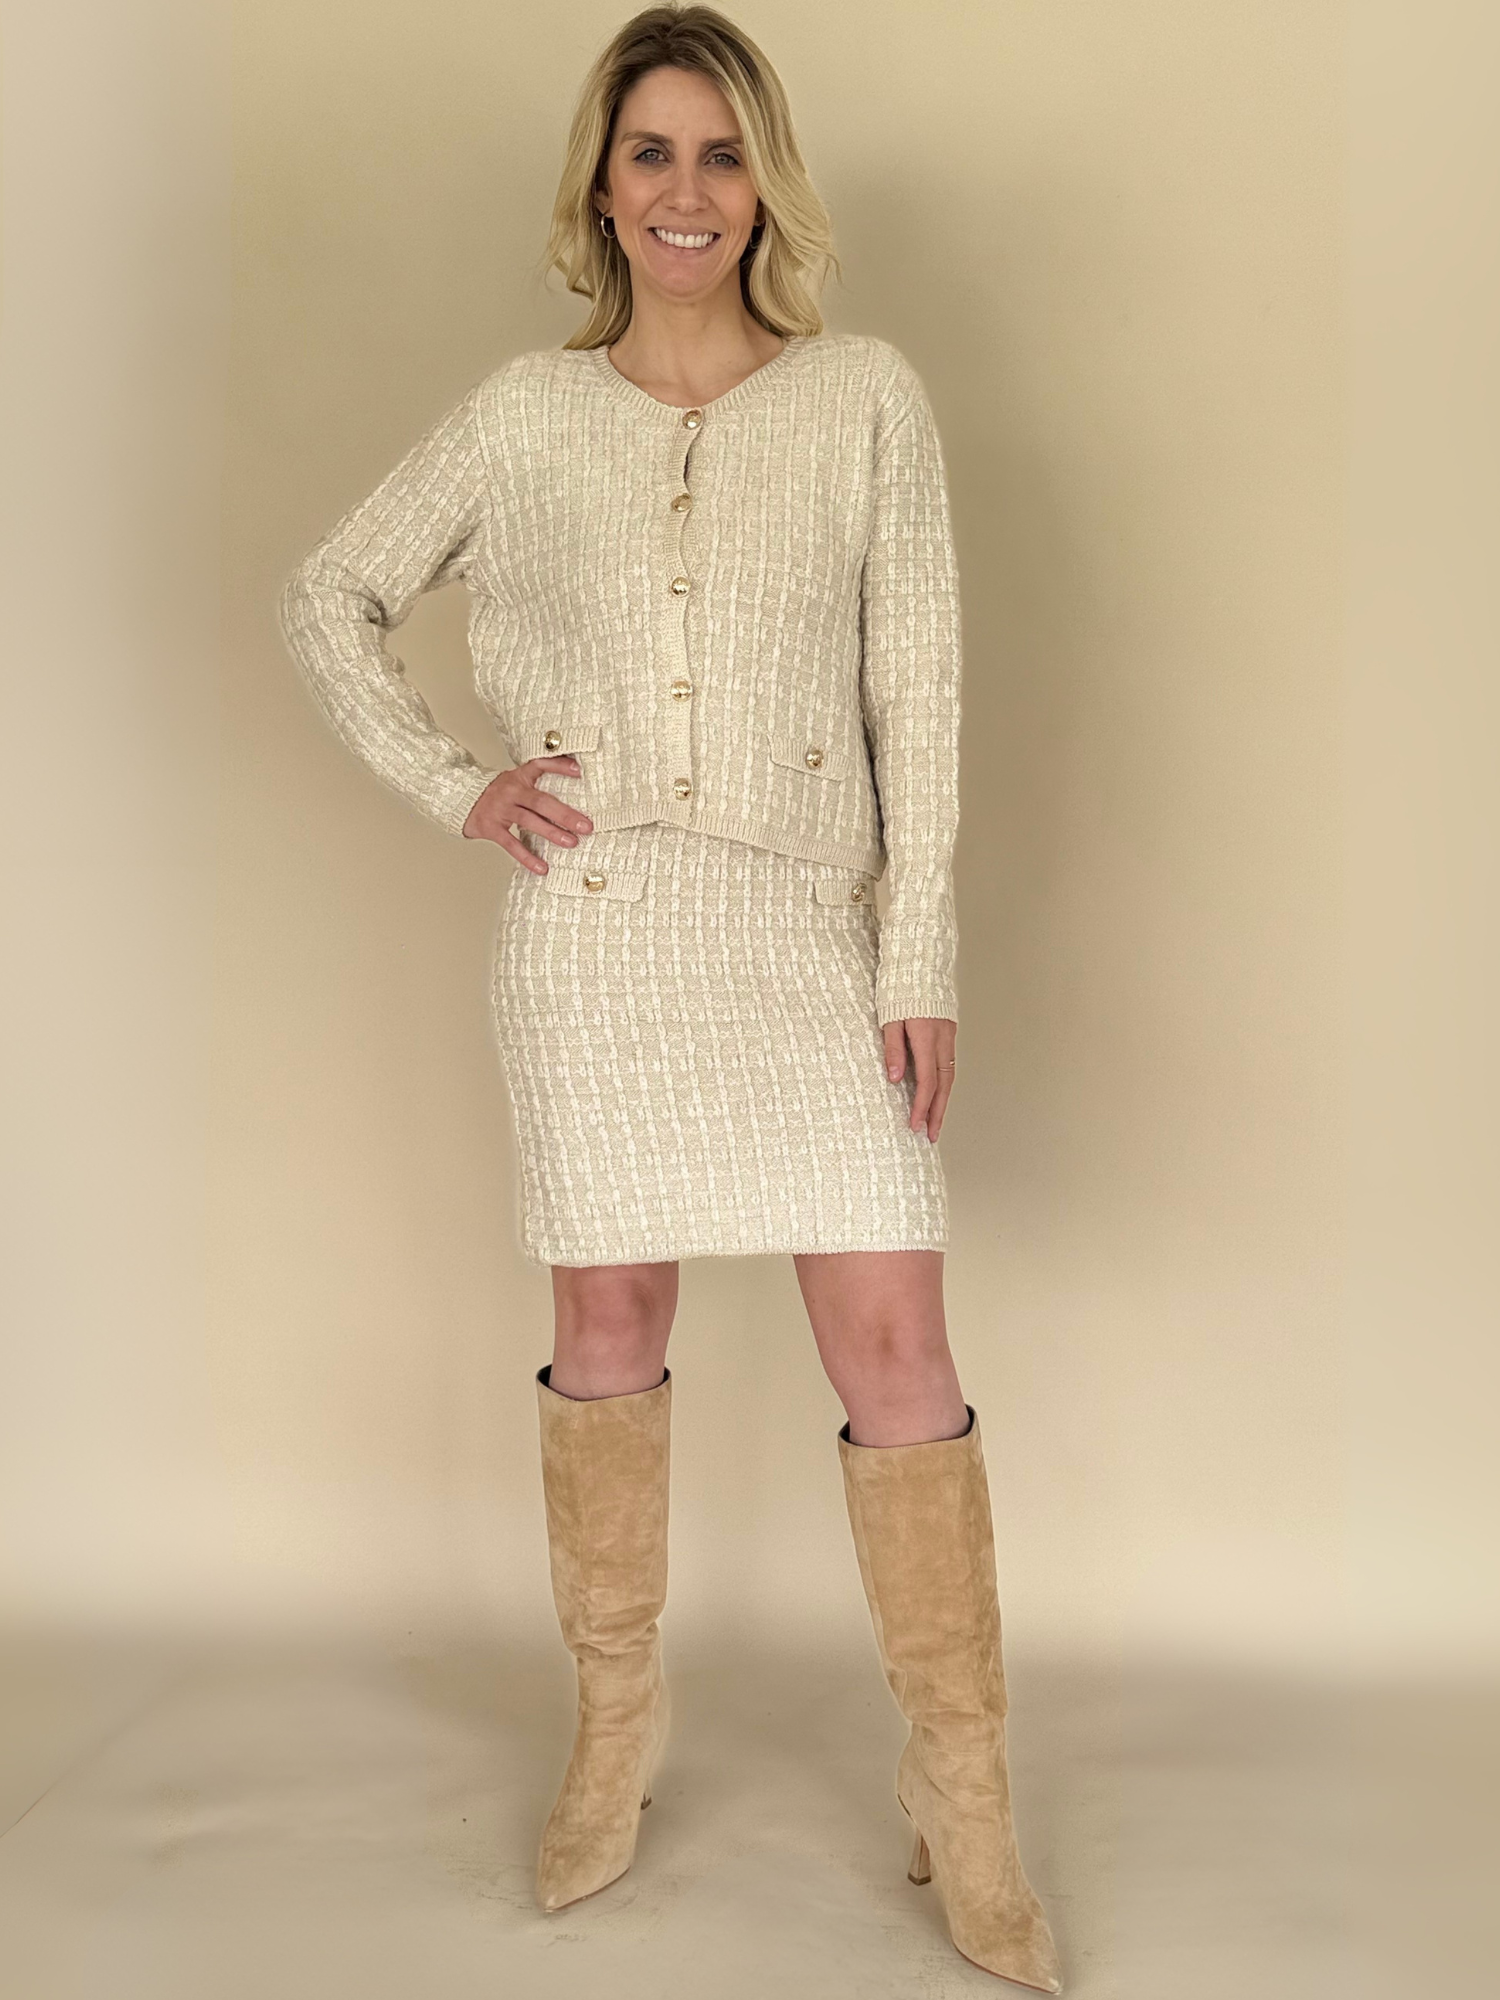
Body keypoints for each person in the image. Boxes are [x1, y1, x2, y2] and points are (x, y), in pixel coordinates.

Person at [277, 5, 1061, 1989]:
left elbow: (920, 693)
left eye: (721, 155)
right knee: (606, 1322)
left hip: (809, 930)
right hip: (596, 934)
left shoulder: (864, 396)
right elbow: (327, 596)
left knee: (896, 1347)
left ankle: (965, 1790)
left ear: (764, 185)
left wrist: (918, 952)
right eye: (652, 153)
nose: (687, 192)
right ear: (603, 186)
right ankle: (614, 1730)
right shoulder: (523, 418)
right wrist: (463, 787)